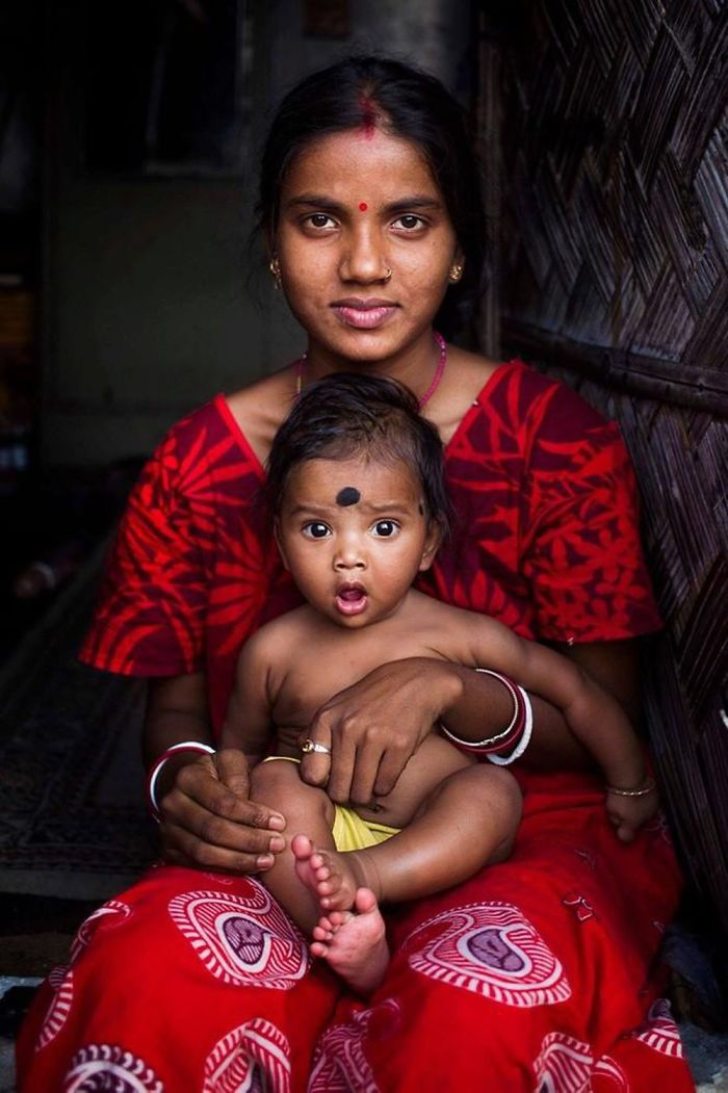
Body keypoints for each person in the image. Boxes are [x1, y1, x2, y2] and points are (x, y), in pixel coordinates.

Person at [17, 55, 693, 1091]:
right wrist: (186, 788)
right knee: (148, 981)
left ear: (462, 248)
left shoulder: (554, 445)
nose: (364, 263)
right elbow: (180, 723)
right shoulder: (199, 462)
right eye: (319, 220)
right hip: (284, 847)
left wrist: (458, 689)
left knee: (473, 1011)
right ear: (272, 245)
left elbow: (602, 724)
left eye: (410, 221)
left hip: (519, 830)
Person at [222, 371, 659, 995]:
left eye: (384, 528)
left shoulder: (460, 635)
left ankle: (365, 878)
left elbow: (579, 695)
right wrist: (237, 795)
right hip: (319, 840)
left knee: (490, 791)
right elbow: (235, 754)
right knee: (271, 783)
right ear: (282, 545)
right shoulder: (272, 651)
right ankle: (343, 931)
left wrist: (630, 781)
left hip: (433, 830)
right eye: (318, 529)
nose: (350, 555)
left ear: (430, 542)